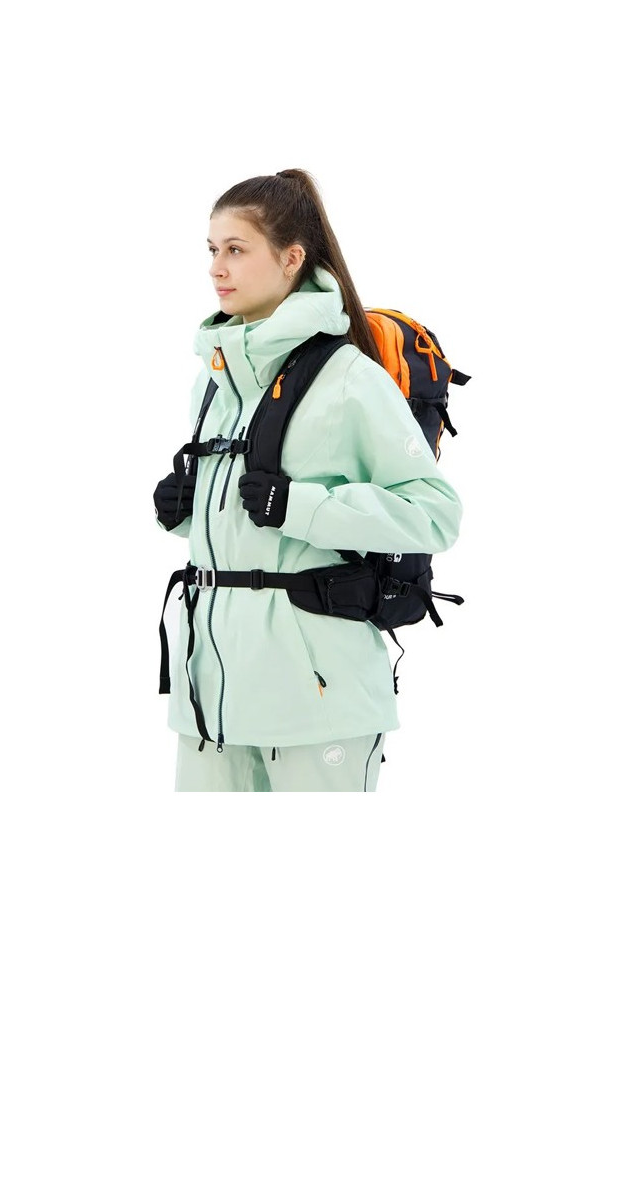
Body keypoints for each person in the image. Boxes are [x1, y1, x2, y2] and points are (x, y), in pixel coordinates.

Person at [153, 169, 462, 792]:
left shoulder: (348, 375)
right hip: (209, 695)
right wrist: (186, 507)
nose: (217, 268)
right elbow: (246, 521)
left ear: (292, 258)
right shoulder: (216, 378)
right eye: (211, 250)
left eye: (236, 249)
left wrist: (302, 506)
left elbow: (435, 514)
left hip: (319, 701)